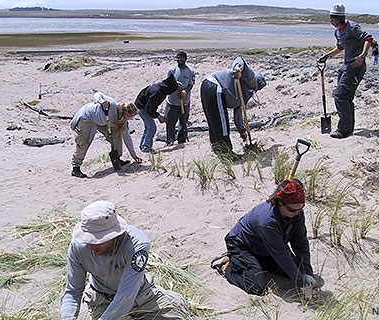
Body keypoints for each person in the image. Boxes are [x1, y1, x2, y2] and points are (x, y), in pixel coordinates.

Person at [61, 200, 191, 320]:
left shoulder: (137, 245)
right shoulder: (78, 246)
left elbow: (126, 296)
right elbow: (73, 291)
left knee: (179, 312)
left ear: (113, 235)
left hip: (140, 294)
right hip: (102, 299)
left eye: (98, 240)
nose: (92, 246)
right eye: (88, 239)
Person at [211, 179, 320, 297]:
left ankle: (257, 263)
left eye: (301, 208)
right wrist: (301, 282)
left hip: (266, 247)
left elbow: (300, 243)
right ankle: (227, 265)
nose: (297, 213)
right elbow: (281, 254)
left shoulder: (296, 213)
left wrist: (308, 273)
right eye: (292, 210)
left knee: (298, 270)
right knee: (256, 286)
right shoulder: (267, 221)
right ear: (280, 203)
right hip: (242, 245)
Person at [318, 4, 374, 139]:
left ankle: (344, 130)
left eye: (335, 19)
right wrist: (327, 56)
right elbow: (340, 47)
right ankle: (349, 127)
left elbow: (368, 39)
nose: (333, 22)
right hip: (346, 66)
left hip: (355, 67)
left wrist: (362, 57)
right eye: (331, 19)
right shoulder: (337, 31)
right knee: (346, 97)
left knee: (340, 96)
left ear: (341, 18)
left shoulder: (352, 27)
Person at [200, 56, 266, 154]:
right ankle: (226, 152)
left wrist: (242, 131)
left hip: (207, 86)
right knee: (222, 123)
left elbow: (238, 113)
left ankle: (217, 149)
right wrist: (237, 69)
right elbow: (240, 60)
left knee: (214, 121)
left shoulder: (244, 93)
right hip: (215, 86)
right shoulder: (251, 80)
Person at [70, 92, 142, 178]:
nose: (131, 119)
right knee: (84, 142)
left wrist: (134, 155)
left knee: (116, 135)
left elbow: (127, 137)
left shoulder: (123, 121)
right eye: (130, 117)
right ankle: (76, 168)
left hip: (103, 122)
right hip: (87, 118)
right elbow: (97, 94)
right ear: (126, 113)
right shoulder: (112, 104)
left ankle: (117, 159)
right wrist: (101, 101)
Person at [134, 74, 178, 153]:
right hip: (141, 107)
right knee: (152, 128)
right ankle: (146, 147)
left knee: (148, 127)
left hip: (143, 106)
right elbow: (149, 110)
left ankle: (143, 146)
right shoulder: (156, 92)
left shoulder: (161, 88)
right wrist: (158, 116)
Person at [165, 50, 195, 146]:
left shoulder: (190, 72)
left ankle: (181, 140)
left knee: (183, 121)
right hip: (172, 102)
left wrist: (185, 92)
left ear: (185, 59)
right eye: (178, 58)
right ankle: (170, 140)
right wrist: (175, 86)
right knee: (170, 122)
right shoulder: (171, 70)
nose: (179, 59)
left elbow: (191, 84)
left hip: (184, 102)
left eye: (181, 58)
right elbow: (167, 83)